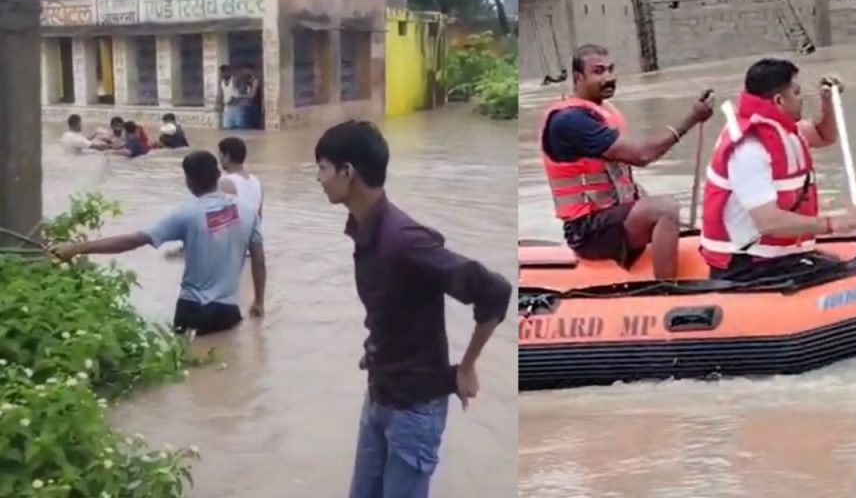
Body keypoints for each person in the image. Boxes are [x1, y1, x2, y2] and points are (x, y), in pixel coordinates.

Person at [313, 120, 511, 498]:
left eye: (322, 168)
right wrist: (378, 347)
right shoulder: (365, 230)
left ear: (347, 172)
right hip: (380, 394)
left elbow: (494, 292)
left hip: (415, 411)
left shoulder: (403, 241)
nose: (318, 179)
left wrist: (467, 366)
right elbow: (393, 304)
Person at [540, 43, 715, 280]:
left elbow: (620, 176)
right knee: (665, 209)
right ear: (578, 77)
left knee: (674, 219)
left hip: (610, 220)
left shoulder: (602, 113)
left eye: (611, 70)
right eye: (598, 72)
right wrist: (690, 120)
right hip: (587, 231)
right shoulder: (570, 121)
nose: (609, 78)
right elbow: (642, 156)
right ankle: (666, 291)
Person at [50, 150, 266, 336]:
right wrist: (258, 301)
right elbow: (258, 260)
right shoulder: (247, 211)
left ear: (188, 180)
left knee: (186, 365)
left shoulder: (186, 214)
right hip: (228, 311)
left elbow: (133, 240)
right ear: (218, 175)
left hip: (193, 309)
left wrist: (77, 248)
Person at [699, 58, 856, 282]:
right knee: (848, 275)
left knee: (840, 266)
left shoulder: (783, 130)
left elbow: (824, 136)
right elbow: (769, 222)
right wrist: (834, 223)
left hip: (774, 257)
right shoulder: (749, 148)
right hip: (747, 265)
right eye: (797, 92)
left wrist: (828, 103)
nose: (802, 99)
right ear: (779, 100)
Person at [218, 137, 263, 218]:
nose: (219, 160)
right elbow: (259, 217)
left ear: (227, 157)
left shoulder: (225, 182)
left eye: (220, 155)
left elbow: (223, 218)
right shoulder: (257, 182)